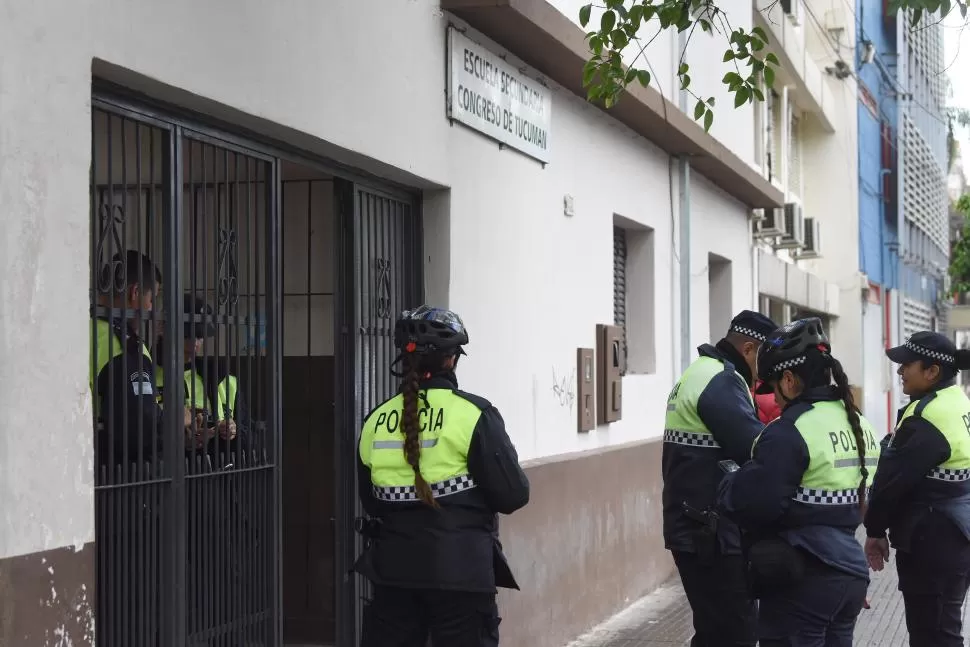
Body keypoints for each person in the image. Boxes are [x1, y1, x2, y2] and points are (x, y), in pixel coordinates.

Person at [354, 305, 530, 646]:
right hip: (461, 575)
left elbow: (371, 502)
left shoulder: (375, 420)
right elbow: (514, 495)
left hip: (393, 576)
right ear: (450, 360)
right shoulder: (474, 414)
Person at [716, 317, 880, 646]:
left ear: (789, 381)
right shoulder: (859, 423)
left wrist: (731, 482)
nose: (774, 400)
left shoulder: (790, 431)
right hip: (849, 573)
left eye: (774, 388)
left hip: (803, 580)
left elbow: (755, 504)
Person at [662, 309, 778, 647]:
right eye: (768, 358)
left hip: (696, 525)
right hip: (708, 532)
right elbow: (756, 449)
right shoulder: (721, 380)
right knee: (735, 632)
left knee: (715, 630)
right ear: (749, 350)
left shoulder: (702, 372)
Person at [864, 331, 970, 647]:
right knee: (945, 627)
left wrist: (874, 529)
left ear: (932, 371)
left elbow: (890, 483)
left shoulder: (926, 416)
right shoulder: (958, 402)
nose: (899, 372)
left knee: (932, 634)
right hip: (957, 536)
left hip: (932, 542)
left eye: (906, 364)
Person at [90, 250, 193, 467]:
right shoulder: (121, 345)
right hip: (121, 475)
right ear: (135, 292)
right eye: (152, 298)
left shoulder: (81, 329)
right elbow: (141, 424)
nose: (151, 308)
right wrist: (176, 419)